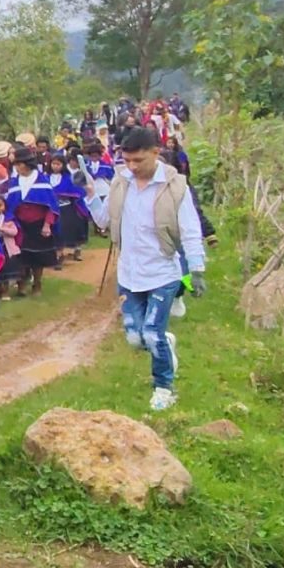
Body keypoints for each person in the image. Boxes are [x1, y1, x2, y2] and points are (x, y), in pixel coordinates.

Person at [86, 128, 207, 411]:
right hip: (129, 274)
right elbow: (104, 220)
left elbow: (190, 230)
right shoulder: (120, 183)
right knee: (134, 338)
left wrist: (197, 270)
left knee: (151, 334)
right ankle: (166, 342)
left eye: (138, 160)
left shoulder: (176, 188)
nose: (132, 166)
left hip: (162, 272)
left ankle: (164, 388)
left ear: (156, 152)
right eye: (127, 160)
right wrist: (91, 195)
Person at [3, 147, 60, 296]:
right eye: (15, 165)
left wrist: (47, 224)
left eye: (19, 164)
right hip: (20, 225)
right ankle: (21, 285)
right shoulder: (14, 182)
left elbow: (51, 205)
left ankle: (37, 284)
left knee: (38, 257)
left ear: (27, 164)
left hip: (39, 224)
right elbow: (9, 205)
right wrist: (10, 221)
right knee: (21, 256)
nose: (16, 167)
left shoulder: (42, 180)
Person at [48, 153, 90, 264]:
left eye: (58, 164)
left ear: (63, 165)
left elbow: (77, 191)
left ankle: (71, 250)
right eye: (53, 163)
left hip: (66, 209)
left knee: (64, 230)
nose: (55, 166)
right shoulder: (46, 177)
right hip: (51, 209)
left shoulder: (68, 178)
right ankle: (58, 254)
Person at [0, 194, 22, 300]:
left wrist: (3, 229)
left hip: (7, 248)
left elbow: (14, 232)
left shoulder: (9, 218)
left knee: (7, 270)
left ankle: (5, 292)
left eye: (0, 205)